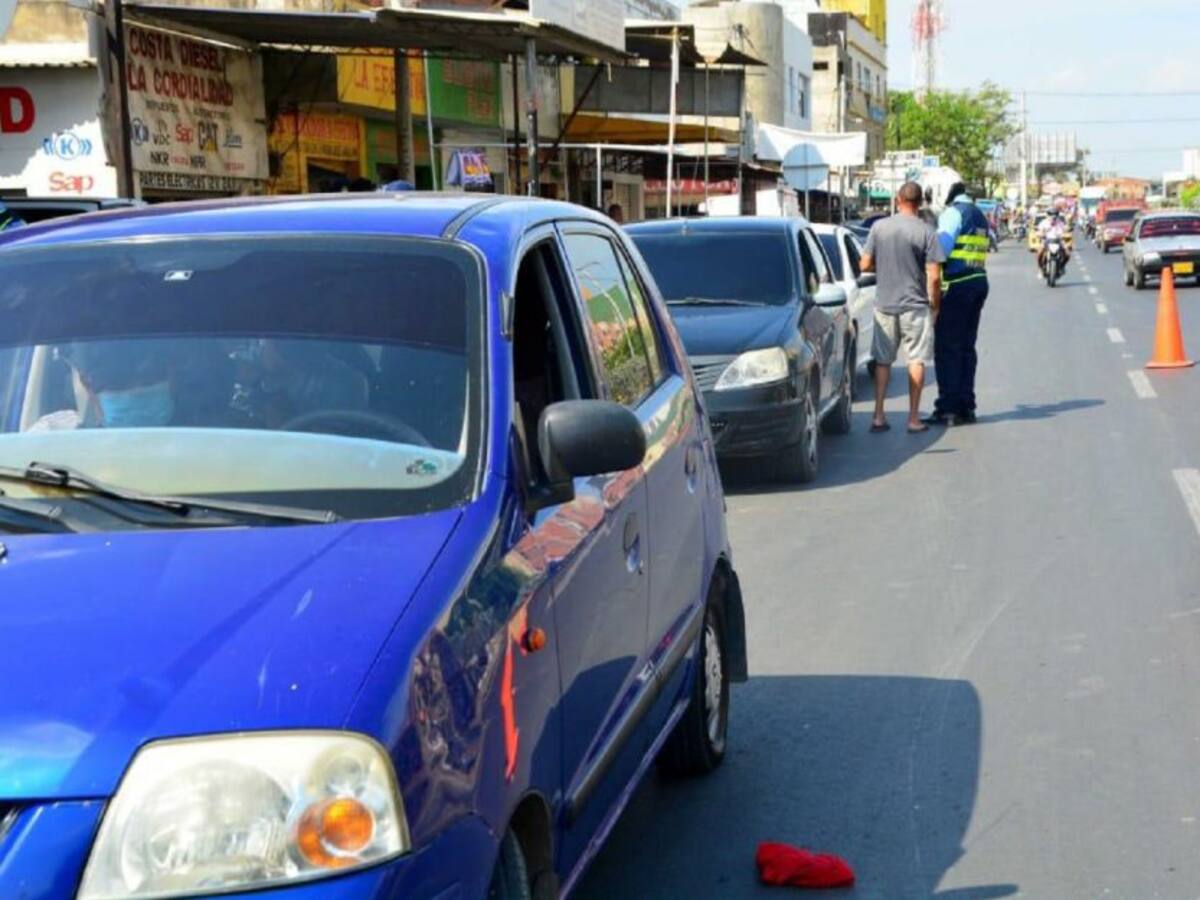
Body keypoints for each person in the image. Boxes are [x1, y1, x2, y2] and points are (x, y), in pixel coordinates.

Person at [860, 181, 945, 434]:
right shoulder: (926, 231)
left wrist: (883, 267)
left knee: (883, 362)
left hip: (884, 304)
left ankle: (877, 416)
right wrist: (935, 306)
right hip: (915, 305)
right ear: (920, 203)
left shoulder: (879, 227)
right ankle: (913, 419)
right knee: (916, 360)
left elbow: (864, 265)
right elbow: (934, 276)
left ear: (898, 199)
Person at [926, 182, 990, 426]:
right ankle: (966, 406)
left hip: (957, 285)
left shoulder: (953, 213)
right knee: (966, 347)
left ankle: (948, 408)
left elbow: (940, 250)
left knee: (947, 347)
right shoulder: (979, 215)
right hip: (978, 283)